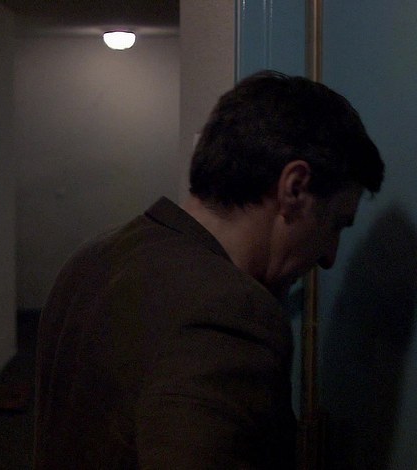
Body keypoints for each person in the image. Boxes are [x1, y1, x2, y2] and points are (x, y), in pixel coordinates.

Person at [33, 70, 384, 469]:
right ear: (295, 188)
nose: (329, 257)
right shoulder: (230, 314)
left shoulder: (93, 257)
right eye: (335, 224)